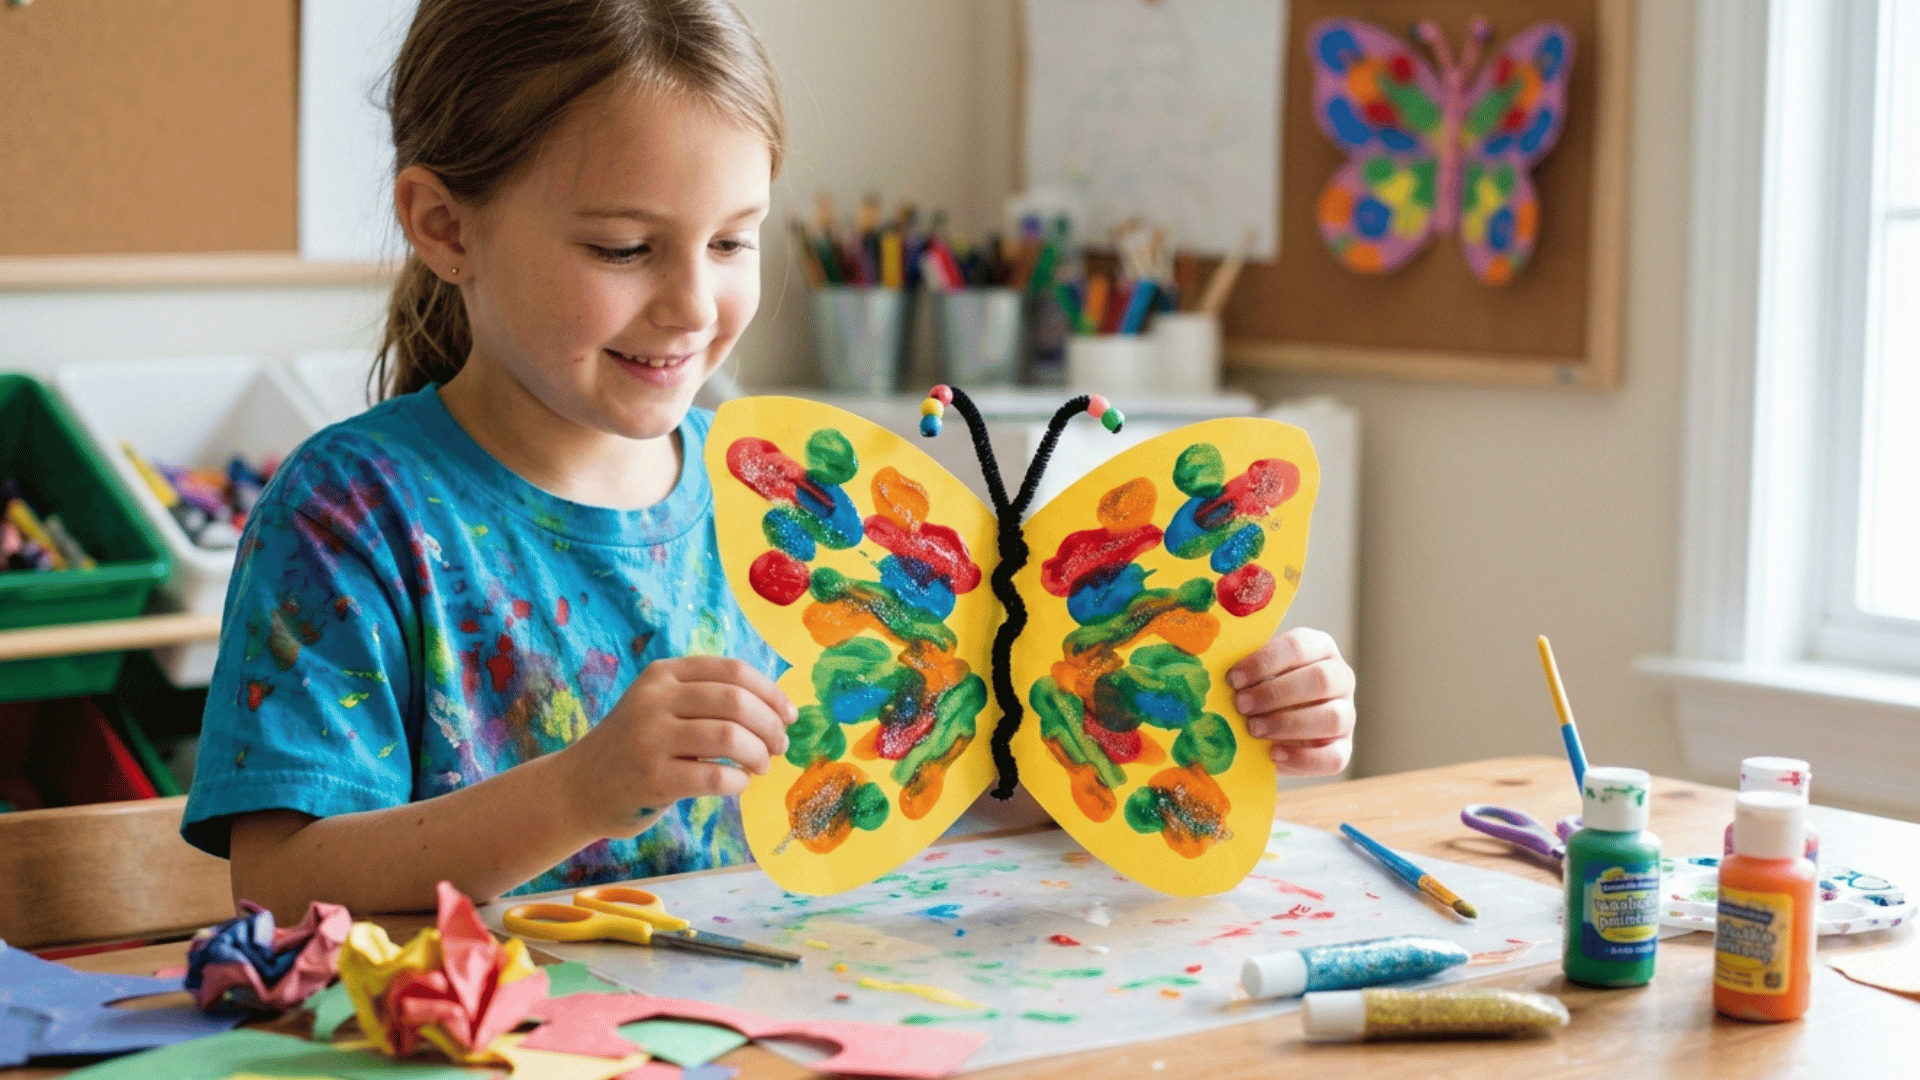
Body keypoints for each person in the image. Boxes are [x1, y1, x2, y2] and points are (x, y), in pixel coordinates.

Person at [181, 0, 1358, 920]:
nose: (694, 305)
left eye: (734, 241)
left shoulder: (785, 501)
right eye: (625, 247)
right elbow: (281, 882)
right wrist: (583, 790)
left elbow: (930, 798)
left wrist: (1215, 714)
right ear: (445, 227)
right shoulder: (352, 511)